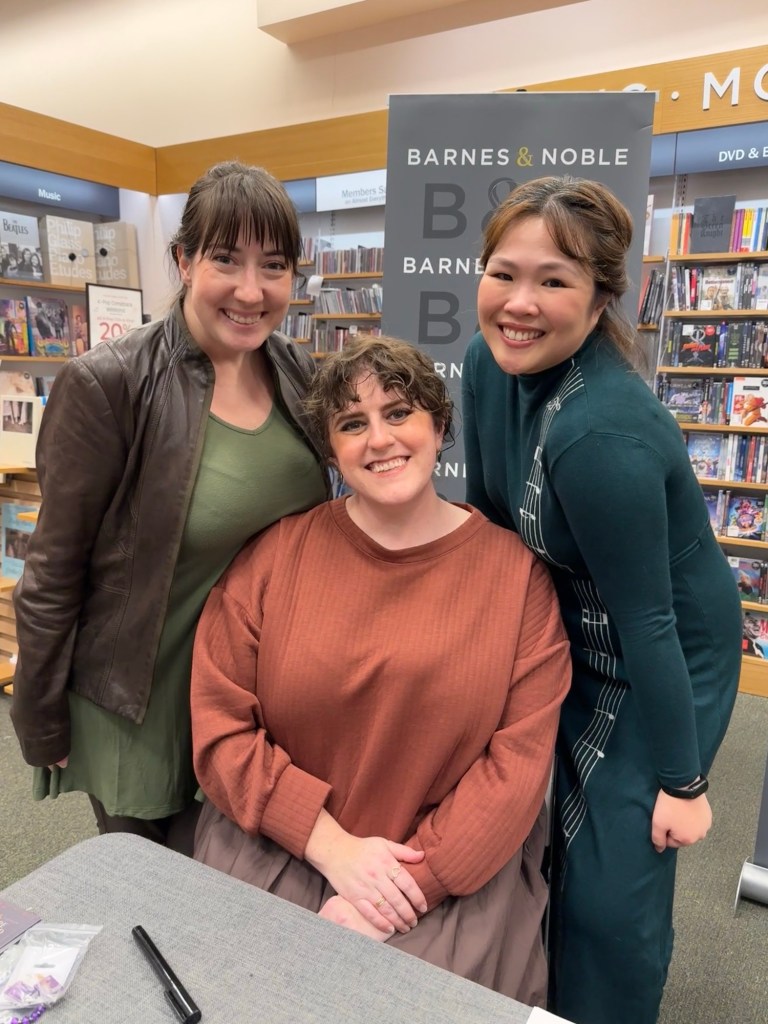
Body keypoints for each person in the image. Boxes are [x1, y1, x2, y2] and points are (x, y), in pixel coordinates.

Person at [191, 335, 571, 1004]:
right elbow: (220, 729)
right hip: (281, 846)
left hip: (442, 879)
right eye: (352, 423)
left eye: (399, 413)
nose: (380, 439)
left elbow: (516, 769)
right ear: (330, 449)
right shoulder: (275, 557)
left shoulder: (517, 578)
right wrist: (331, 847)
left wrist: (400, 891)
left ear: (439, 426)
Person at [461, 175, 742, 1024]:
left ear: (600, 297)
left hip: (662, 656)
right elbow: (489, 522)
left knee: (612, 888)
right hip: (574, 621)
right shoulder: (484, 364)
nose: (519, 303)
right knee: (543, 840)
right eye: (504, 273)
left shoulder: (603, 430)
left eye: (554, 280)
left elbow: (652, 621)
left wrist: (683, 782)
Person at [11, 161, 330, 854]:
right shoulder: (109, 384)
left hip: (253, 705)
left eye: (274, 266)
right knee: (158, 898)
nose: (251, 290)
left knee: (244, 889)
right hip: (144, 706)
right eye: (226, 259)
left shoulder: (296, 371)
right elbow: (53, 569)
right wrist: (39, 719)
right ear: (184, 261)